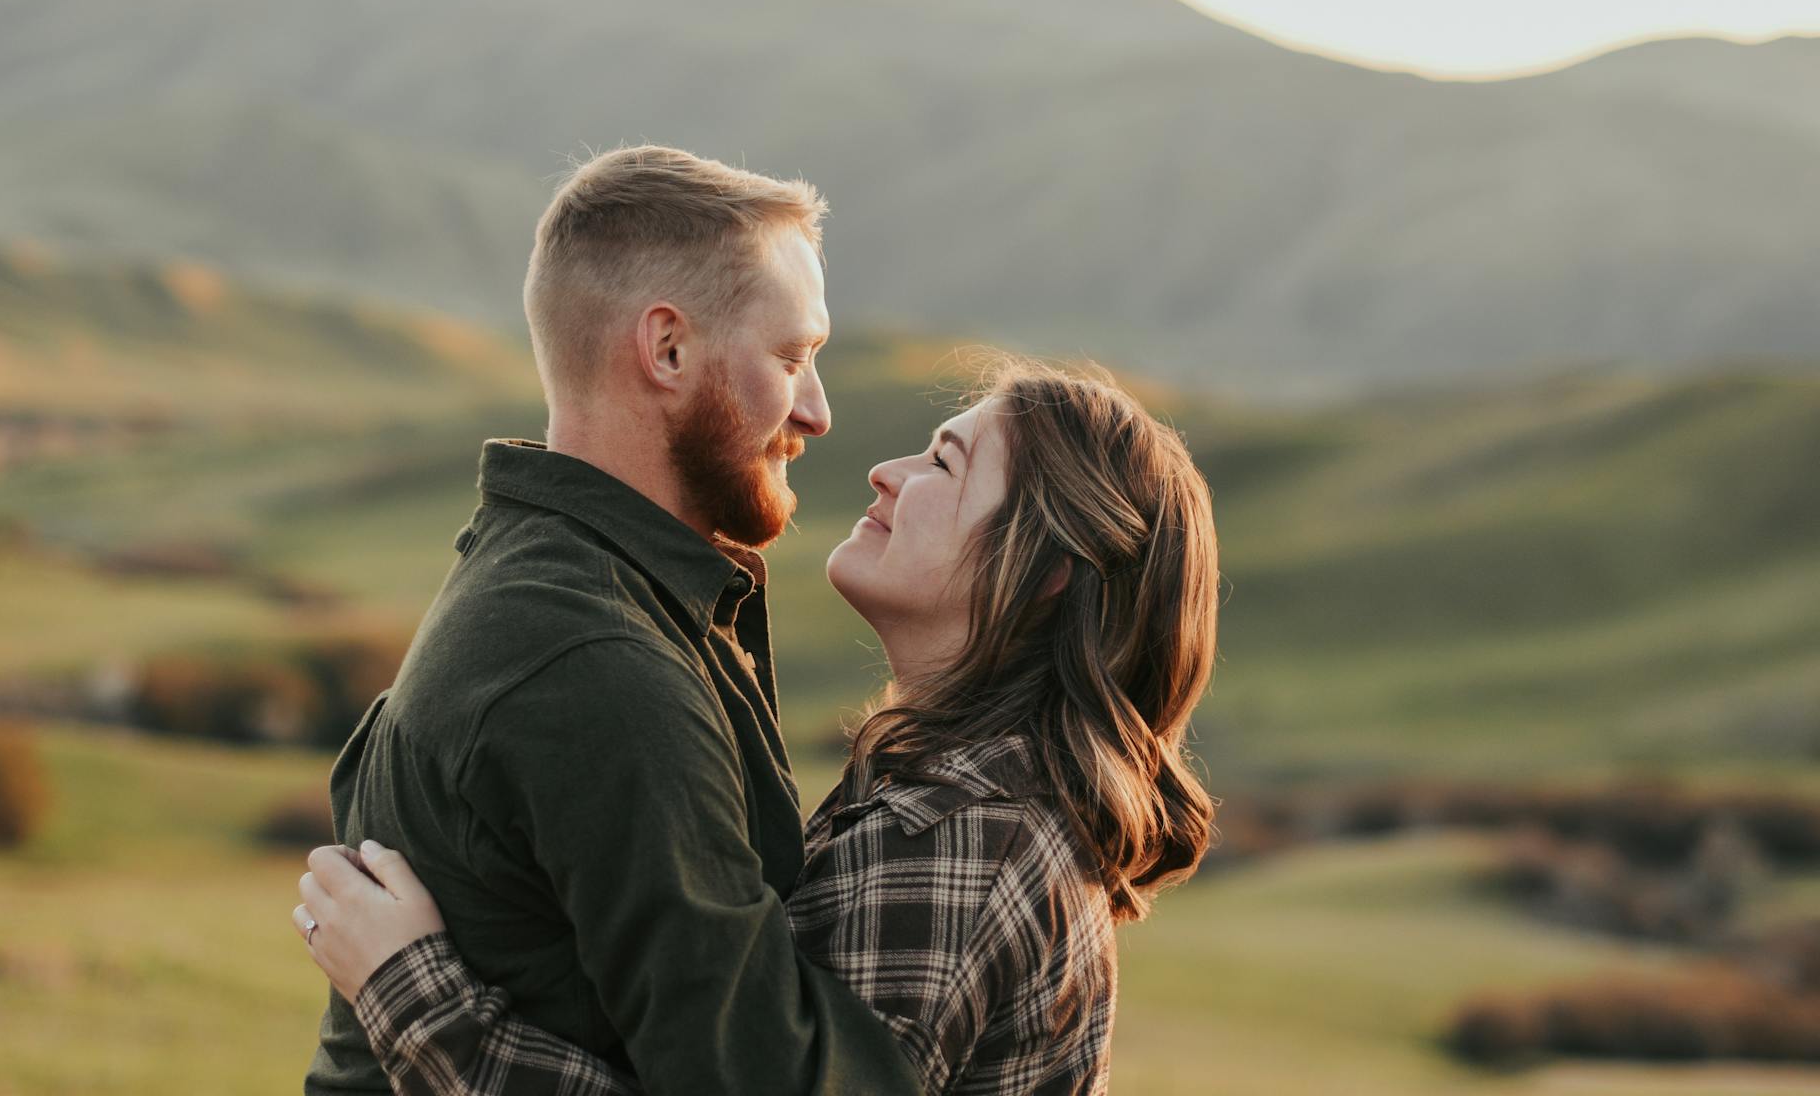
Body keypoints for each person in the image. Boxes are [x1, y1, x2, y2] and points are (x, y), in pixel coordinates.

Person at [295, 358, 1222, 1095]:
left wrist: (412, 995)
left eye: (944, 462)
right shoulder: (967, 804)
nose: (884, 469)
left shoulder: (965, 839)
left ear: (1048, 570)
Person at [300, 144, 923, 1094]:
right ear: (667, 349)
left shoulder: (561, 585)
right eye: (792, 357)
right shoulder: (595, 660)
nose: (817, 411)